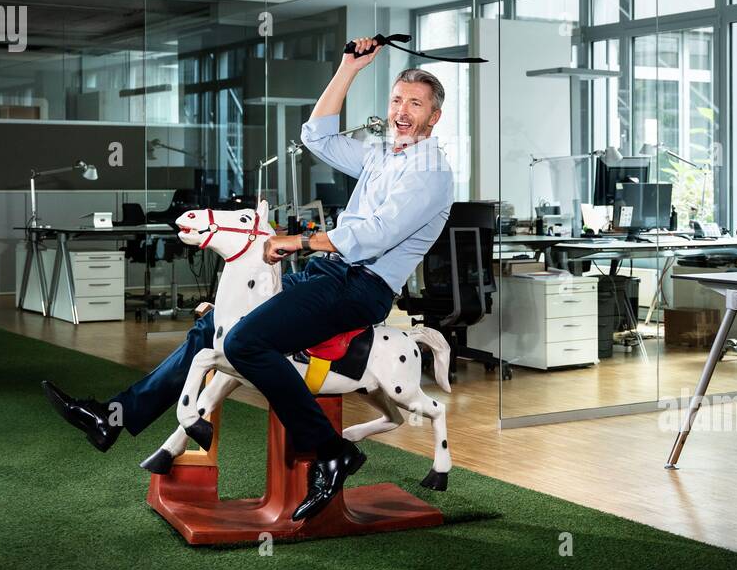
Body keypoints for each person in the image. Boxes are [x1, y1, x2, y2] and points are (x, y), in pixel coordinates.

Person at [42, 37, 454, 521]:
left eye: (415, 104)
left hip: (360, 288)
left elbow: (373, 236)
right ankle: (113, 418)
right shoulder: (382, 154)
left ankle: (331, 451)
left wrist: (296, 242)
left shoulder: (431, 172)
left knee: (244, 343)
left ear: (433, 117)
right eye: (397, 101)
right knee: (209, 328)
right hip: (325, 273)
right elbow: (317, 136)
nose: (403, 111)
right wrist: (348, 67)